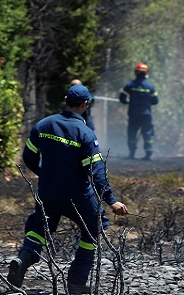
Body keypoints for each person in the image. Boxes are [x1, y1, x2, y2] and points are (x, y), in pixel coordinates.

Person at [8, 83, 129, 294]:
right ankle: (76, 281)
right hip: (78, 197)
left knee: (39, 228)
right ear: (85, 104)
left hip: (48, 193)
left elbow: (28, 157)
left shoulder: (43, 125)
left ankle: (24, 258)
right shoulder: (86, 134)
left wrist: (46, 174)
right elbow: (96, 172)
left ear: (65, 100)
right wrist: (111, 200)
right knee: (94, 228)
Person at [118, 62, 158, 160]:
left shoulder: (130, 85)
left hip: (133, 113)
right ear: (146, 73)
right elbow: (155, 101)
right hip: (146, 114)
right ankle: (148, 153)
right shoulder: (150, 86)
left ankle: (132, 153)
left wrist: (127, 102)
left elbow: (122, 97)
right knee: (147, 133)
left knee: (132, 132)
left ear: (136, 72)